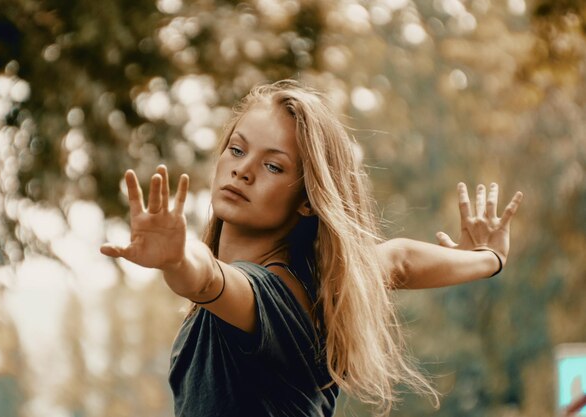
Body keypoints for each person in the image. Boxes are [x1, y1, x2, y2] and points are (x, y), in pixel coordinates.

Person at [100, 80, 523, 417]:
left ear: (308, 198)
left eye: (272, 165)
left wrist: (177, 257)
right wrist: (487, 259)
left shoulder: (275, 297)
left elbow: (207, 278)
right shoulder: (327, 281)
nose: (242, 170)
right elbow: (398, 258)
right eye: (237, 149)